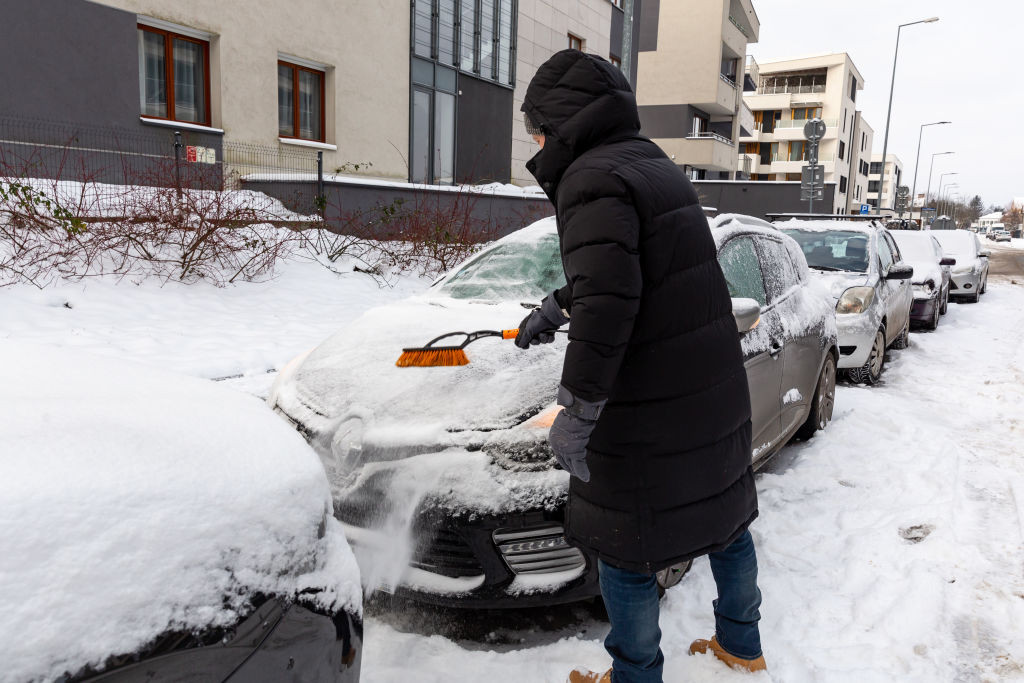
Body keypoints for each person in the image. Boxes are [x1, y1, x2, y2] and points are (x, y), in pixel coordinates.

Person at [513, 50, 766, 683]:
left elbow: (610, 302)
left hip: (650, 410)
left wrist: (578, 409)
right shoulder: (653, 165)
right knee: (727, 522)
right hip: (710, 394)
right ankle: (742, 644)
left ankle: (634, 676)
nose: (536, 141)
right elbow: (642, 276)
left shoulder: (590, 179)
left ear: (565, 122)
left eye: (537, 127)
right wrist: (557, 303)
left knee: (624, 550)